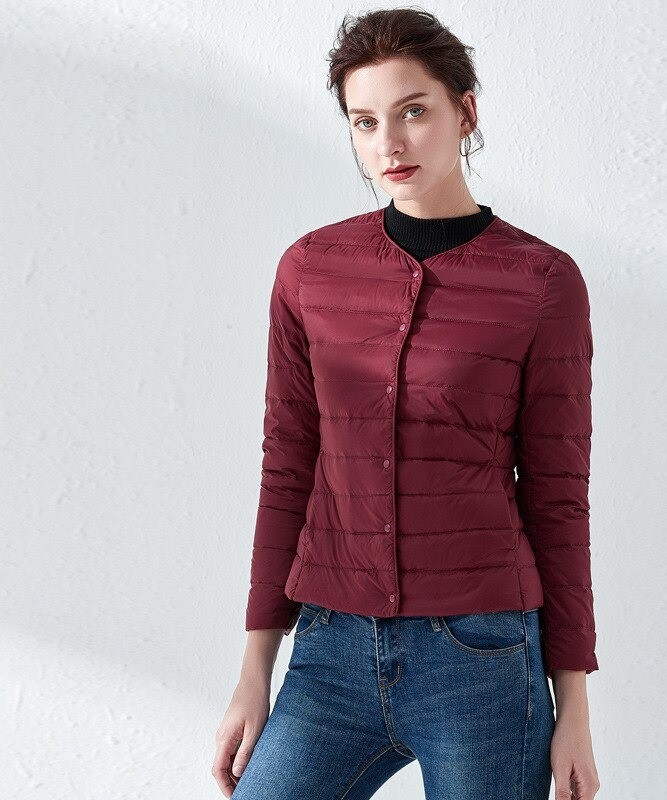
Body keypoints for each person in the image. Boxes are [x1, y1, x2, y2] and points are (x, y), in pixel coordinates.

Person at [213, 8, 600, 800]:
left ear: (466, 111)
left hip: (483, 659)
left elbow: (558, 498)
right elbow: (288, 470)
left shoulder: (542, 282)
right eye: (365, 121)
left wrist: (575, 708)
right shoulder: (310, 270)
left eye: (413, 111)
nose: (389, 142)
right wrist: (255, 672)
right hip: (329, 652)